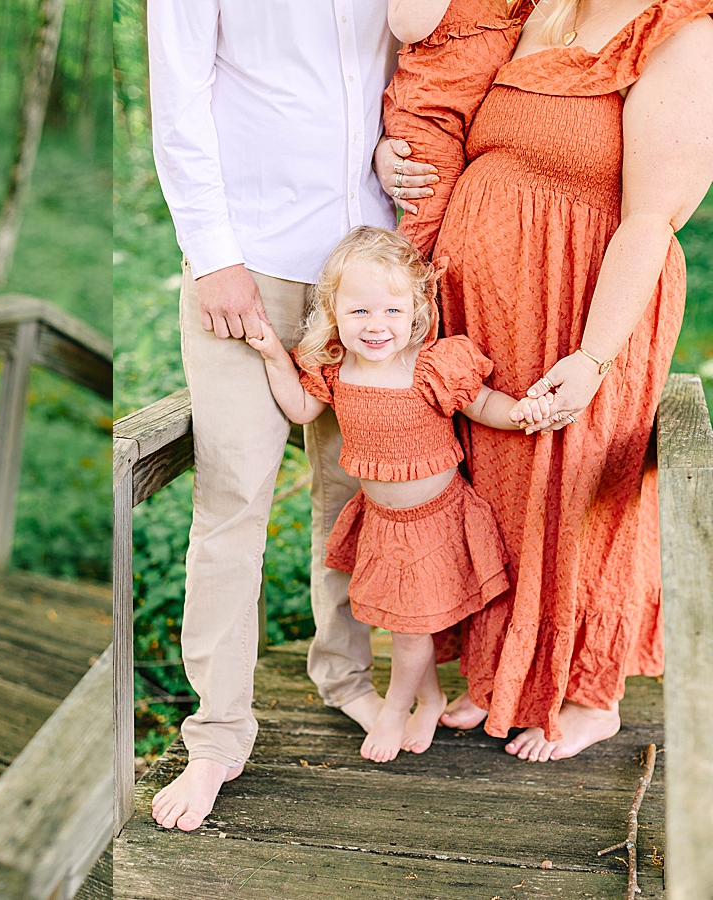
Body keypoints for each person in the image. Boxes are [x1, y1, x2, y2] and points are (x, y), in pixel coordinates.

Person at [375, 0, 713, 760]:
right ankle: (501, 673)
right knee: (497, 490)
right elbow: (444, 95)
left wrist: (594, 357)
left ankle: (588, 694)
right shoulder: (543, 6)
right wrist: (388, 161)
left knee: (575, 488)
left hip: (585, 305)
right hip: (491, 310)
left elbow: (651, 220)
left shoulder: (683, 35)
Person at [147, 2, 401, 831]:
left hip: (364, 267)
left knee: (354, 491)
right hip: (246, 263)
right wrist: (215, 258)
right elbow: (178, 104)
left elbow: (398, 72)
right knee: (232, 500)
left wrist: (398, 156)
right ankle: (217, 735)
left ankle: (346, 675)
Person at [248, 226, 552, 761]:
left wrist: (522, 414)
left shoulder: (429, 367)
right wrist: (275, 356)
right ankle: (429, 697)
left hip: (435, 520)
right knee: (398, 621)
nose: (376, 325)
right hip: (381, 522)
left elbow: (482, 404)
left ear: (414, 312)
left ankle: (394, 709)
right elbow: (299, 410)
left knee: (411, 632)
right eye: (360, 311)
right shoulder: (336, 371)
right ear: (333, 310)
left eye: (391, 311)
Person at [382, 0, 525, 258]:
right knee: (417, 241)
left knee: (458, 236)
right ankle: (391, 293)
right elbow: (407, 26)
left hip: (477, 123)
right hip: (430, 117)